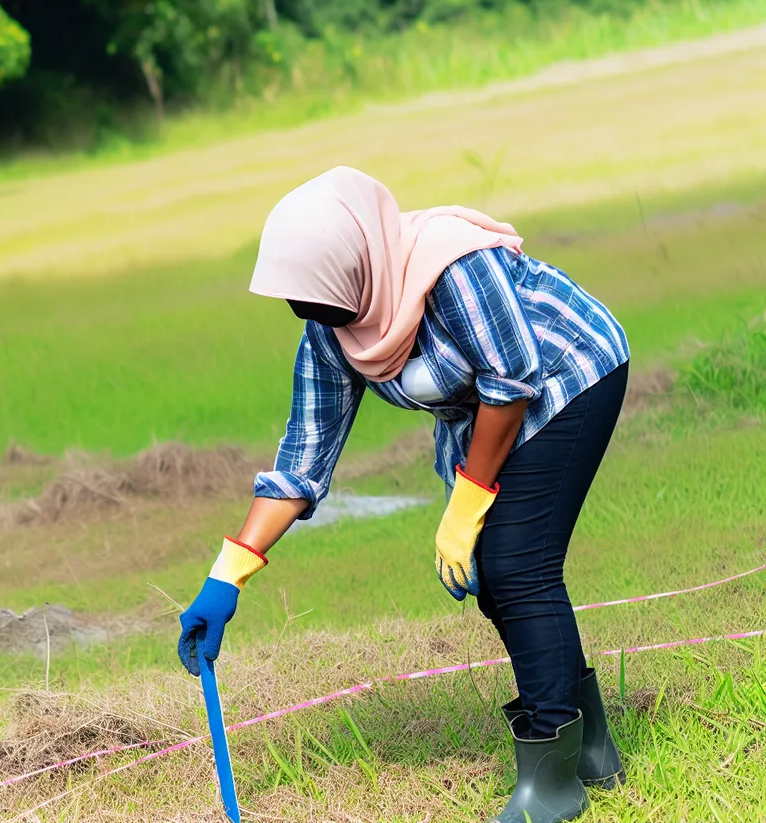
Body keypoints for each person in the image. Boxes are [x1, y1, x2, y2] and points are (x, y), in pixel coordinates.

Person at [176, 166, 631, 823]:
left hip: (568, 371)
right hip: (493, 412)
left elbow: (512, 374)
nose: (320, 318)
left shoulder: (451, 264)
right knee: (494, 577)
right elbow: (304, 458)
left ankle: (553, 778)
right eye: (306, 305)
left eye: (324, 300)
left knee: (516, 565)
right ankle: (587, 745)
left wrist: (469, 503)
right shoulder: (334, 327)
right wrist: (229, 574)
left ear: (357, 263)